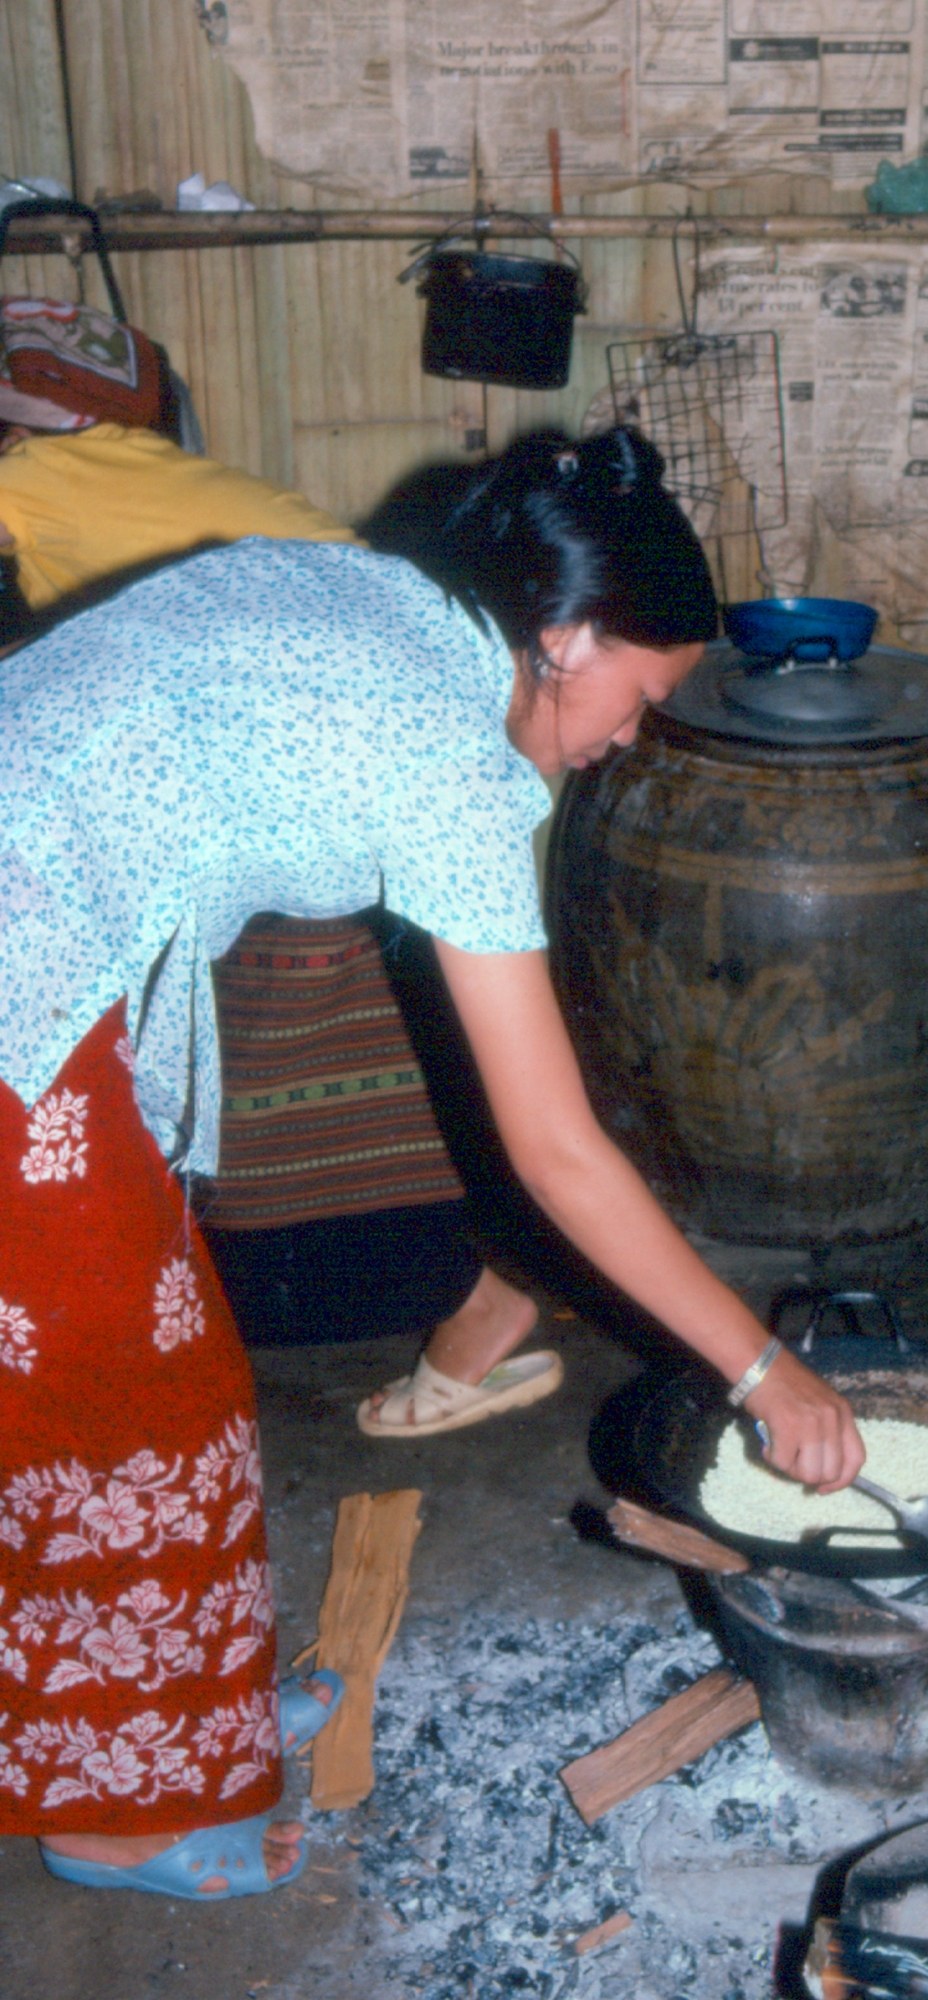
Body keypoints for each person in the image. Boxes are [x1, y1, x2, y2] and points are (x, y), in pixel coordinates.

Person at [0, 424, 865, 1899]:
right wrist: (760, 1370)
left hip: (59, 937)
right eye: (642, 698)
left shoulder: (395, 601)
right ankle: (108, 1813)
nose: (628, 738)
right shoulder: (452, 764)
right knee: (116, 1411)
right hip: (22, 977)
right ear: (569, 636)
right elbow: (553, 1151)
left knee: (158, 1382)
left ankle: (167, 1718)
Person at [0, 401, 546, 1385]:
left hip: (317, 733)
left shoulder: (26, 489)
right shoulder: (92, 450)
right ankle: (444, 1280)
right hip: (336, 679)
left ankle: (449, 1289)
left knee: (295, 1115)